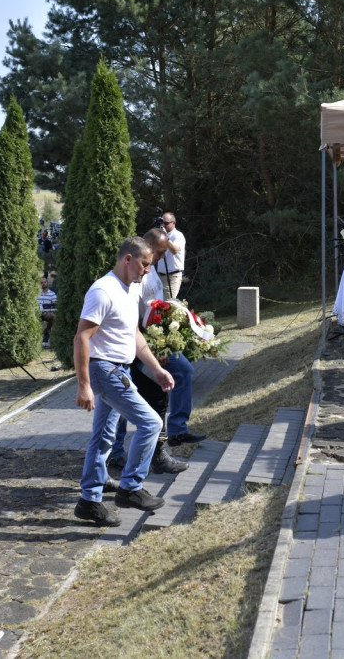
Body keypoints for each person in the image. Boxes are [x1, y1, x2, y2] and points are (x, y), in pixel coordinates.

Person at [73, 236, 175, 527]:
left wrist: (155, 368)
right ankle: (130, 487)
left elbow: (133, 334)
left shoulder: (131, 289)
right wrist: (84, 385)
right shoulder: (103, 291)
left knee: (104, 436)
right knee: (151, 423)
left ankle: (89, 501)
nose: (146, 271)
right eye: (144, 264)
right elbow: (81, 337)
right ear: (127, 259)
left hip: (122, 369)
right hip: (105, 371)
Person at [107, 228, 199, 477]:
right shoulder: (121, 282)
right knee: (116, 410)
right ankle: (113, 460)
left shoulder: (149, 272)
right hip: (119, 355)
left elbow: (154, 311)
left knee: (162, 390)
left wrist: (166, 341)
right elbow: (126, 323)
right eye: (157, 253)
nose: (157, 260)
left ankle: (160, 451)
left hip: (144, 344)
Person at [156, 212, 185, 299]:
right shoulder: (161, 235)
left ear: (174, 223)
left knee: (168, 304)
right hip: (160, 276)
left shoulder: (178, 235)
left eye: (166, 223)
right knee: (158, 304)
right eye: (162, 223)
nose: (163, 225)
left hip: (172, 277)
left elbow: (175, 250)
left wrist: (165, 237)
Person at [38, 275, 57, 347]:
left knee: (53, 316)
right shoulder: (37, 293)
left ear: (47, 283)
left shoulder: (52, 294)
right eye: (42, 282)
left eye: (45, 282)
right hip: (37, 313)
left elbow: (54, 306)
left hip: (47, 314)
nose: (43, 283)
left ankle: (46, 331)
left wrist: (47, 311)